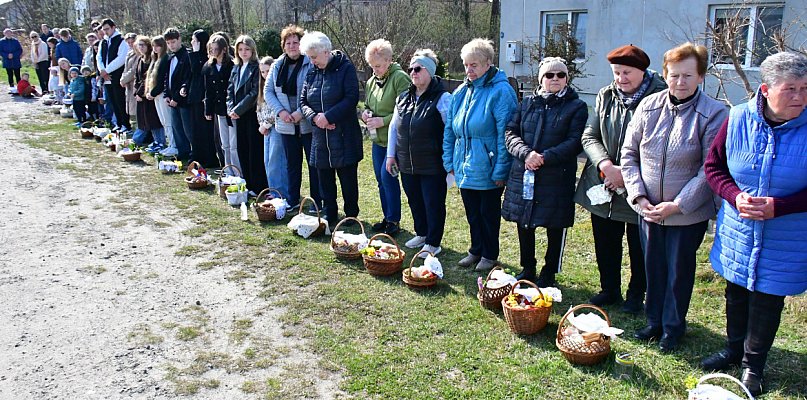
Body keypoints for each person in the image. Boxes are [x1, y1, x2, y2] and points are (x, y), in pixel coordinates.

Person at [700, 51, 807, 396]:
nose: (800, 97)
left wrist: (781, 206)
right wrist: (735, 196)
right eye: (791, 89)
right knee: (736, 290)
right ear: (765, 89)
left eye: (805, 89)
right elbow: (714, 168)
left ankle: (753, 366)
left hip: (786, 234)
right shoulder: (738, 117)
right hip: (740, 228)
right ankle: (733, 350)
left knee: (767, 297)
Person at [621, 42, 728, 353]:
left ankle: (672, 328)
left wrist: (678, 205)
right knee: (652, 265)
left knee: (678, 271)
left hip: (686, 212)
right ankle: (653, 320)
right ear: (665, 74)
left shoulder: (714, 113)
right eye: (674, 75)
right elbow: (629, 154)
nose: (680, 82)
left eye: (688, 76)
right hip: (649, 209)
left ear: (701, 77)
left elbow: (710, 167)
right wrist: (639, 197)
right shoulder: (648, 106)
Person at [573, 44, 667, 313]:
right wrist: (605, 165)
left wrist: (625, 175)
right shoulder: (606, 95)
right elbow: (590, 136)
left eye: (627, 72)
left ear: (642, 72)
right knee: (605, 239)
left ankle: (637, 293)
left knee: (639, 244)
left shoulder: (659, 98)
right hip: (602, 181)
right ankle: (609, 288)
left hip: (640, 186)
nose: (621, 78)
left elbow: (658, 145)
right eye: (616, 72)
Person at [501, 57, 586, 287]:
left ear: (567, 79)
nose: (555, 79)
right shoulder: (527, 103)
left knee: (555, 224)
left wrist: (545, 158)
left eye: (561, 75)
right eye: (550, 75)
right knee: (524, 222)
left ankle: (549, 272)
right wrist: (526, 154)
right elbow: (511, 132)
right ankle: (527, 267)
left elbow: (575, 141)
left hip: (556, 176)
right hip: (525, 172)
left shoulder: (576, 106)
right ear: (541, 79)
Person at [443, 38, 517, 271]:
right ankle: (475, 250)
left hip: (488, 163)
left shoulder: (501, 92)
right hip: (464, 162)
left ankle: (489, 253)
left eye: (474, 65)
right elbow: (450, 130)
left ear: (487, 64)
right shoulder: (461, 91)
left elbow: (505, 133)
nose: (469, 70)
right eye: (466, 65)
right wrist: (449, 160)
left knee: (488, 213)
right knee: (472, 212)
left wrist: (501, 168)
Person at [386, 49, 451, 257]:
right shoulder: (403, 98)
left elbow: (451, 131)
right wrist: (390, 155)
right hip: (407, 162)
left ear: (430, 72)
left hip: (432, 163)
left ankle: (433, 242)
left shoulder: (443, 98)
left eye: (418, 69)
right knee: (414, 199)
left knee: (433, 202)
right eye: (411, 69)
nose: (413, 73)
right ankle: (422, 233)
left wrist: (450, 163)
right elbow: (394, 127)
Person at [300, 31, 363, 227]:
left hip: (343, 134)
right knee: (324, 177)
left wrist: (329, 116)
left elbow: (351, 98)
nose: (312, 61)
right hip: (320, 135)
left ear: (326, 52)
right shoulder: (311, 72)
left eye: (314, 57)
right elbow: (303, 101)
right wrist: (316, 118)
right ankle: (330, 212)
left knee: (347, 178)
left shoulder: (345, 69)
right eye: (309, 57)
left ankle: (351, 214)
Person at [264, 25, 320, 212]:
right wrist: (281, 112)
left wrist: (300, 113)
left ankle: (316, 202)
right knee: (292, 165)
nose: (292, 46)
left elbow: (313, 91)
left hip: (306, 123)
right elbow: (268, 91)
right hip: (285, 124)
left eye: (296, 42)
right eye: (288, 43)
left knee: (313, 164)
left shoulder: (310, 63)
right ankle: (293, 199)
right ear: (283, 46)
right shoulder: (277, 66)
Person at [362, 39, 411, 236]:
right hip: (377, 140)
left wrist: (383, 121)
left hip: (395, 141)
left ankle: (394, 220)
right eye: (372, 66)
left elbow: (406, 110)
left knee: (387, 176)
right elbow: (367, 105)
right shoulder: (371, 82)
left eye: (379, 66)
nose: (376, 70)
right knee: (380, 180)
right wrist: (365, 114)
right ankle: (387, 215)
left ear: (389, 60)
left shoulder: (400, 78)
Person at [227, 34, 266, 194]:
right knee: (241, 148)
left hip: (250, 114)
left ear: (252, 50)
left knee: (254, 150)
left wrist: (238, 109)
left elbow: (254, 92)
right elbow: (229, 90)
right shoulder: (236, 67)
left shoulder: (256, 67)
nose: (244, 52)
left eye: (247, 49)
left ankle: (258, 185)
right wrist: (231, 108)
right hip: (237, 115)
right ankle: (247, 182)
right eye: (241, 49)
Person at [203, 34, 237, 168]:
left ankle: (237, 170)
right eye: (210, 50)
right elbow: (209, 90)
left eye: (215, 49)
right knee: (225, 143)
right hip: (219, 109)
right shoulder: (209, 66)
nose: (212, 52)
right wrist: (208, 109)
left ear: (224, 49)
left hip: (231, 108)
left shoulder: (232, 64)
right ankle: (227, 168)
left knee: (234, 143)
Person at [257, 55, 289, 198]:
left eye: (268, 71)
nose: (265, 75)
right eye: (262, 72)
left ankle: (280, 192)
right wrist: (261, 124)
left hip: (276, 126)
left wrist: (266, 124)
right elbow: (259, 108)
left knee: (277, 161)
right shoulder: (262, 87)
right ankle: (273, 189)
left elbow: (276, 109)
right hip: (266, 129)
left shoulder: (277, 86)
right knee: (268, 161)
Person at [188, 29, 218, 168]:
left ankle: (208, 157)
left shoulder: (206, 58)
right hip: (194, 96)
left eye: (195, 40)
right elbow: (190, 74)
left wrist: (195, 53)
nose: (192, 43)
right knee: (196, 129)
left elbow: (197, 70)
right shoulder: (194, 55)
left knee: (205, 130)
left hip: (203, 96)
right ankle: (197, 156)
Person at [96, 19, 132, 133]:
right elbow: (99, 57)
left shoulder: (121, 41)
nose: (105, 32)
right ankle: (119, 123)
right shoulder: (104, 42)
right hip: (106, 77)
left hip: (116, 76)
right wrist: (102, 70)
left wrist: (106, 70)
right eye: (104, 29)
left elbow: (121, 58)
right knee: (112, 101)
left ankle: (126, 124)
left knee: (120, 100)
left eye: (107, 29)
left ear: (113, 27)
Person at [163, 27, 193, 161]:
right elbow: (166, 78)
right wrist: (166, 95)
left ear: (179, 39)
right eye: (168, 43)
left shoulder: (187, 56)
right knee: (176, 127)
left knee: (187, 128)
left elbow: (186, 78)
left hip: (183, 100)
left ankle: (190, 152)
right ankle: (182, 152)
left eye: (173, 42)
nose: (171, 45)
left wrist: (177, 97)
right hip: (172, 100)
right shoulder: (170, 58)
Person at [132, 36, 164, 149]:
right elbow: (137, 77)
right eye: (138, 45)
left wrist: (141, 92)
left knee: (154, 120)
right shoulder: (141, 59)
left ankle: (160, 141)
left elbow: (148, 77)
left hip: (148, 94)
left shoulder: (151, 58)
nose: (140, 47)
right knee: (145, 120)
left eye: (143, 45)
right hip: (141, 95)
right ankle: (153, 140)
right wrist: (136, 92)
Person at [146, 35, 173, 155]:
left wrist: (153, 93)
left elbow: (162, 79)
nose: (155, 48)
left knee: (168, 121)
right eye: (153, 46)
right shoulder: (155, 60)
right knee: (163, 121)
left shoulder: (165, 59)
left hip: (161, 93)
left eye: (158, 46)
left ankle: (173, 144)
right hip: (156, 94)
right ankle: (170, 144)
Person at [119, 33, 139, 122]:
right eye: (129, 42)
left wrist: (124, 79)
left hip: (134, 84)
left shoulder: (139, 54)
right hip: (128, 85)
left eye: (132, 42)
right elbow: (126, 69)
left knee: (136, 110)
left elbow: (134, 70)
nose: (131, 44)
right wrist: (122, 79)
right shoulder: (129, 53)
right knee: (130, 110)